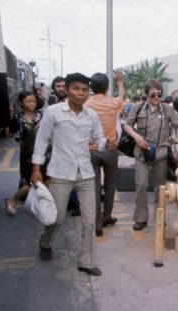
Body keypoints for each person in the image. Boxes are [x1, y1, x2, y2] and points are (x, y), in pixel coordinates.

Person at [31, 73, 107, 276]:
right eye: (76, 89)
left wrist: (102, 143)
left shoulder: (91, 115)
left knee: (90, 220)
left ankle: (86, 261)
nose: (81, 93)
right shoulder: (54, 112)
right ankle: (45, 243)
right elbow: (41, 140)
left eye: (85, 90)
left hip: (86, 174)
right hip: (60, 173)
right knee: (57, 218)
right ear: (67, 90)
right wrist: (36, 169)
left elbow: (99, 138)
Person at [123, 79, 178, 231]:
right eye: (153, 95)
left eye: (159, 94)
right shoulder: (138, 108)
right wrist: (136, 137)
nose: (156, 98)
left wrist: (177, 143)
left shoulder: (167, 109)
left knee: (160, 188)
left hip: (161, 153)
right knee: (141, 185)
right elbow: (126, 125)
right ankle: (141, 218)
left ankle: (159, 217)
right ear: (146, 94)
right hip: (142, 153)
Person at [85, 71, 125, 237]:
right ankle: (107, 216)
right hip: (109, 149)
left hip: (91, 150)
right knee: (110, 185)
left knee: (94, 187)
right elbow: (122, 96)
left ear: (91, 87)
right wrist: (120, 81)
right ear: (107, 88)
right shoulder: (113, 103)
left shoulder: (86, 104)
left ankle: (97, 225)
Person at [5, 91, 44, 216]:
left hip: (43, 152)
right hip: (27, 154)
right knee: (29, 181)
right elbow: (9, 133)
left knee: (45, 178)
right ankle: (13, 199)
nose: (32, 104)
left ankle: (38, 202)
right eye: (28, 101)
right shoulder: (18, 118)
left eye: (34, 101)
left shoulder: (41, 115)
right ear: (21, 103)